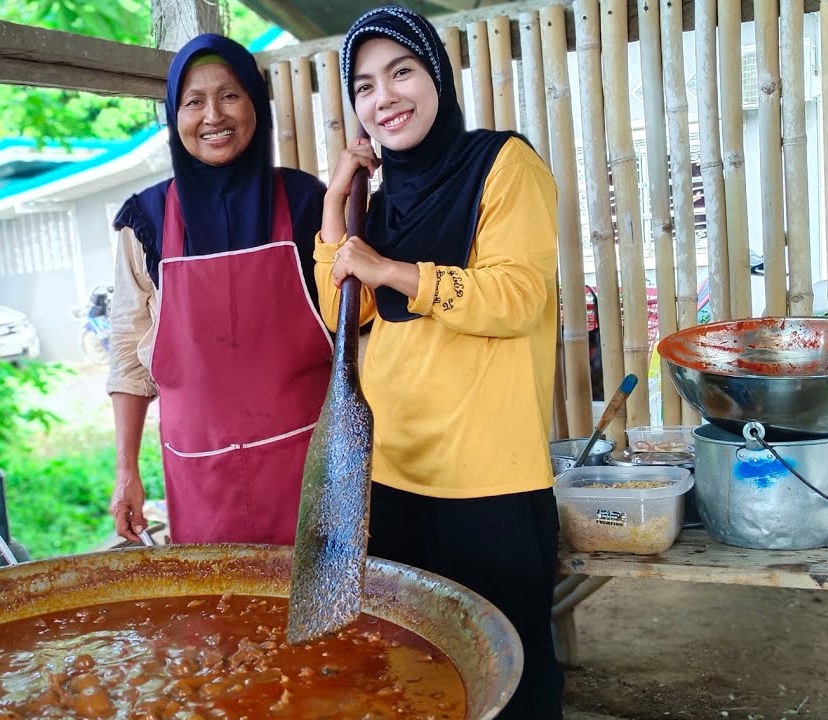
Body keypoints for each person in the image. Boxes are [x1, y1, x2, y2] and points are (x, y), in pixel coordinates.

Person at [319, 7, 563, 717]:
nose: (384, 97)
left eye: (402, 72)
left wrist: (393, 271)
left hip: (489, 475)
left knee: (508, 670)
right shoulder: (381, 195)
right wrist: (339, 198)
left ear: (438, 77)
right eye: (364, 86)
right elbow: (345, 313)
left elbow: (518, 297)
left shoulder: (503, 164)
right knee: (419, 668)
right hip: (394, 469)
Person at [107, 34, 331, 546]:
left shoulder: (306, 203)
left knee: (326, 617)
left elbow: (355, 336)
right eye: (194, 101)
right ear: (174, 115)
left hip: (310, 468)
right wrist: (126, 471)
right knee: (219, 619)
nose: (213, 115)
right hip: (198, 477)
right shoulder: (146, 221)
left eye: (230, 95)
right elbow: (127, 355)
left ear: (255, 102)